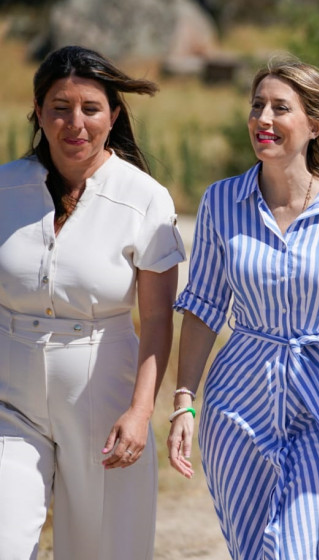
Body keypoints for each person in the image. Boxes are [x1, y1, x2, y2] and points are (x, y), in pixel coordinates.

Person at [165, 58, 319, 560]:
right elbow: (204, 308)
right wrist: (184, 400)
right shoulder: (221, 202)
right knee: (253, 550)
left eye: (281, 107)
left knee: (297, 548)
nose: (264, 119)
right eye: (257, 106)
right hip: (238, 403)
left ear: (315, 124)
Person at [0, 46, 184, 559]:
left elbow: (155, 319)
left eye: (90, 108)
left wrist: (141, 411)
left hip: (103, 398)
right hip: (8, 400)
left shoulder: (145, 199)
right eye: (59, 107)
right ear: (38, 112)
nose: (74, 123)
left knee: (103, 549)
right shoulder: (4, 188)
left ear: (114, 115)